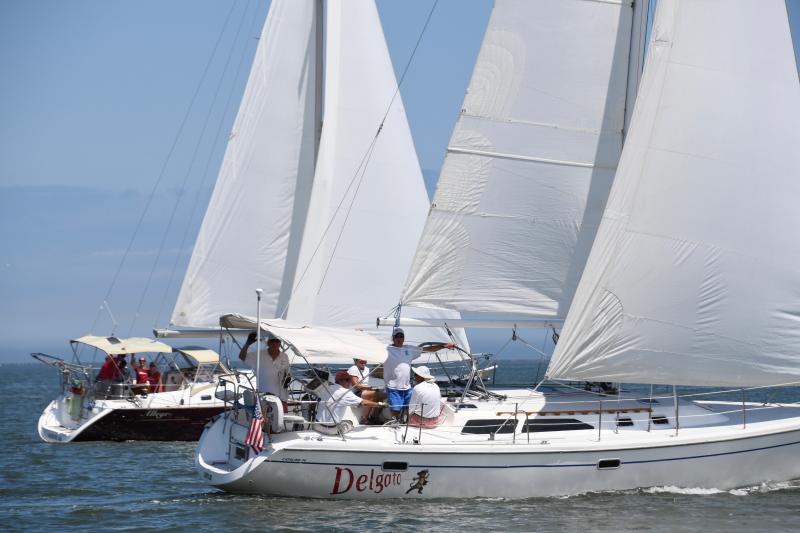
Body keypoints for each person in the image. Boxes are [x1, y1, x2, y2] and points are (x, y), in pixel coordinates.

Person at [384, 328, 453, 419]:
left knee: (409, 409)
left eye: (401, 336)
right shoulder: (386, 349)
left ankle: (405, 423)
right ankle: (396, 423)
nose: (399, 338)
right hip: (393, 388)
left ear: (404, 338)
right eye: (397, 336)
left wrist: (444, 346)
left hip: (407, 388)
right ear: (393, 338)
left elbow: (427, 349)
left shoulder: (409, 349)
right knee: (396, 411)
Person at [314, 371, 384, 435]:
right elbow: (364, 403)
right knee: (350, 423)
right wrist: (380, 404)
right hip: (331, 430)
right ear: (339, 381)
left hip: (316, 426)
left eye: (350, 380)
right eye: (347, 380)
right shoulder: (345, 392)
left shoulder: (326, 388)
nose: (350, 383)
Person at [239, 331, 291, 410]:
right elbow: (242, 357)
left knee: (281, 418)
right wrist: (247, 344)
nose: (274, 343)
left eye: (277, 341)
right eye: (272, 341)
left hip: (281, 397)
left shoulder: (285, 356)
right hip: (264, 397)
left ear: (280, 343)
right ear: (268, 343)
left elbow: (287, 373)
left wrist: (287, 378)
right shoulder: (259, 355)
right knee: (265, 417)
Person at [347, 358, 386, 423]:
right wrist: (370, 388)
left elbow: (365, 385)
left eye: (365, 361)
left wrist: (371, 389)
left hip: (364, 391)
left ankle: (374, 417)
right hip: (354, 393)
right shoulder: (353, 369)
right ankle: (364, 418)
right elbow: (356, 386)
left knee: (382, 395)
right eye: (361, 361)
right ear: (356, 361)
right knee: (372, 394)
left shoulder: (367, 369)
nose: (363, 363)